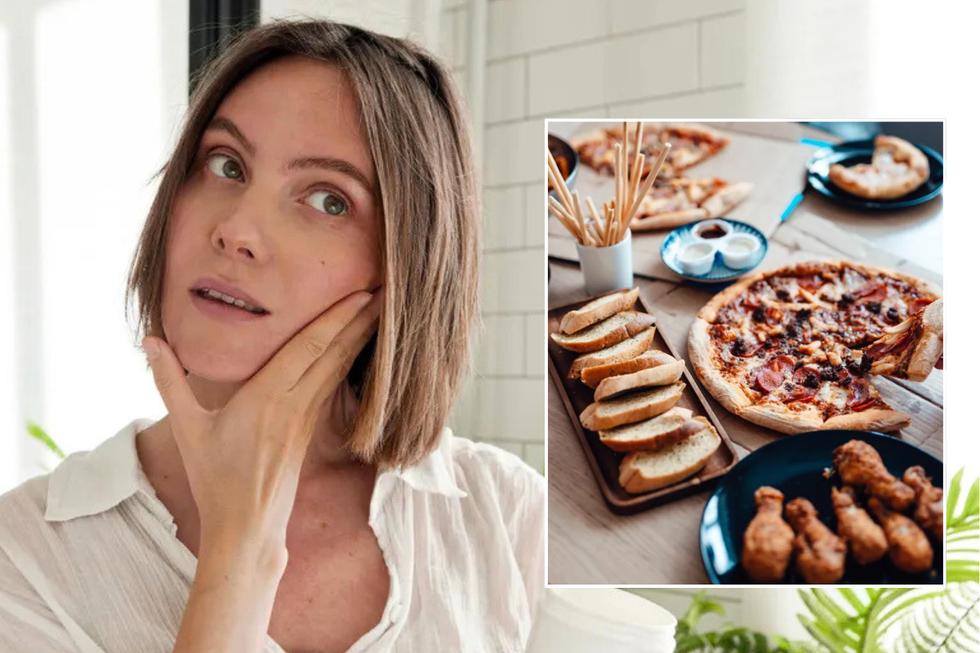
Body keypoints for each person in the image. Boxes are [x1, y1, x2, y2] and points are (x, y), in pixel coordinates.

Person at [0, 19, 544, 653]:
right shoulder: (28, 554)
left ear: (406, 265)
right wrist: (240, 554)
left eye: (328, 200)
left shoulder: (509, 519)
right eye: (225, 164)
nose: (238, 231)